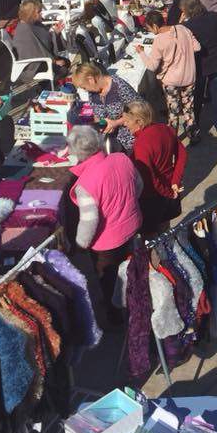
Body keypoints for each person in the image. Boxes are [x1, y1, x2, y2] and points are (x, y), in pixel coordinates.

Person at [67, 125, 142, 325]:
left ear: (76, 153)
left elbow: (89, 222)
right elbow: (138, 186)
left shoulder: (86, 184)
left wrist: (80, 245)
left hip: (106, 243)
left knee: (109, 281)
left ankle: (116, 319)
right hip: (132, 225)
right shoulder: (122, 159)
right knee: (129, 269)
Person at [123, 100, 186, 236]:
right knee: (165, 232)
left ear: (139, 121)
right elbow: (182, 153)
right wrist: (175, 181)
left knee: (151, 239)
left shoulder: (142, 144)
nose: (125, 123)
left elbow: (149, 176)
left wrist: (169, 192)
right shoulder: (165, 129)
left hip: (152, 199)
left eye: (128, 120)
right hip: (168, 188)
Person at [136, 10, 201, 140]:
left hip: (171, 81)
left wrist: (141, 53)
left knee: (173, 112)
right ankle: (193, 135)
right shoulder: (182, 28)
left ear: (154, 26)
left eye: (149, 29)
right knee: (189, 108)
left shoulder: (159, 41)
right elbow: (197, 47)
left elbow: (152, 66)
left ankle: (173, 139)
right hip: (189, 77)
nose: (150, 31)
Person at [180, 0, 217, 139]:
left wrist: (180, 22)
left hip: (199, 66)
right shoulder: (214, 17)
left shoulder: (187, 27)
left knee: (197, 95)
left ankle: (195, 123)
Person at [71, 63, 143, 152]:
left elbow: (139, 111)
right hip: (110, 142)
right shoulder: (93, 92)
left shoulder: (119, 86)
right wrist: (98, 127)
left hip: (130, 141)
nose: (85, 90)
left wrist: (116, 122)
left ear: (91, 79)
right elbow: (97, 115)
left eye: (84, 87)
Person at [12, 0, 68, 76]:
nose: (41, 14)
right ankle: (47, 83)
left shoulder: (32, 23)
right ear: (30, 14)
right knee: (63, 69)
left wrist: (55, 33)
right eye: (38, 12)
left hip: (41, 60)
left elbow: (44, 40)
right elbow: (34, 53)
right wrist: (54, 62)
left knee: (65, 62)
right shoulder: (26, 30)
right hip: (33, 65)